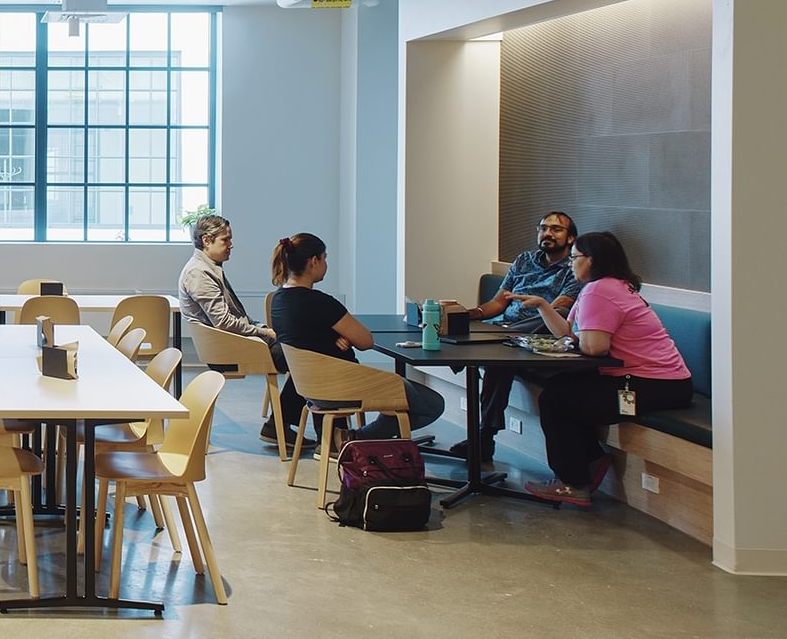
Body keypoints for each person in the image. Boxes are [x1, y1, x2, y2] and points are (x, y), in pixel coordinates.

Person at [507, 231, 693, 507]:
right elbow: (569, 332)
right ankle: (592, 460)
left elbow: (595, 348)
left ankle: (574, 483)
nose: (571, 263)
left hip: (654, 384)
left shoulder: (600, 291)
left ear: (591, 260)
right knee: (559, 388)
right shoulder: (605, 287)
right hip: (664, 382)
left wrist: (577, 341)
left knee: (557, 399)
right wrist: (545, 307)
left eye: (575, 258)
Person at [270, 232, 446, 442]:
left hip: (310, 388)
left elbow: (307, 338)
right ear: (313, 261)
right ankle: (355, 438)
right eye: (325, 258)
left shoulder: (278, 300)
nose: (326, 264)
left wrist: (334, 336)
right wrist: (339, 335)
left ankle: (340, 439)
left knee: (406, 394)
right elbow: (365, 341)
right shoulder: (322, 303)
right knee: (433, 404)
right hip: (343, 386)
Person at [451, 210, 583, 462]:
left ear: (570, 238)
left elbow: (558, 311)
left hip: (539, 330)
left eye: (556, 229)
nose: (548, 233)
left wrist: (533, 311)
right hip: (503, 327)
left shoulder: (572, 270)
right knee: (460, 332)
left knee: (499, 360)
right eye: (543, 228)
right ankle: (483, 436)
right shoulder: (524, 260)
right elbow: (498, 302)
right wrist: (468, 314)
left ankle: (484, 437)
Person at [177, 213, 299, 448]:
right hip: (228, 349)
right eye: (226, 240)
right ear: (206, 241)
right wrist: (264, 333)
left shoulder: (208, 268)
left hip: (235, 343)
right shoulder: (198, 273)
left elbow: (232, 317)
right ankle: (283, 425)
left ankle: (281, 423)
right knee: (305, 359)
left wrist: (260, 328)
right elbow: (223, 321)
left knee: (301, 352)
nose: (231, 245)